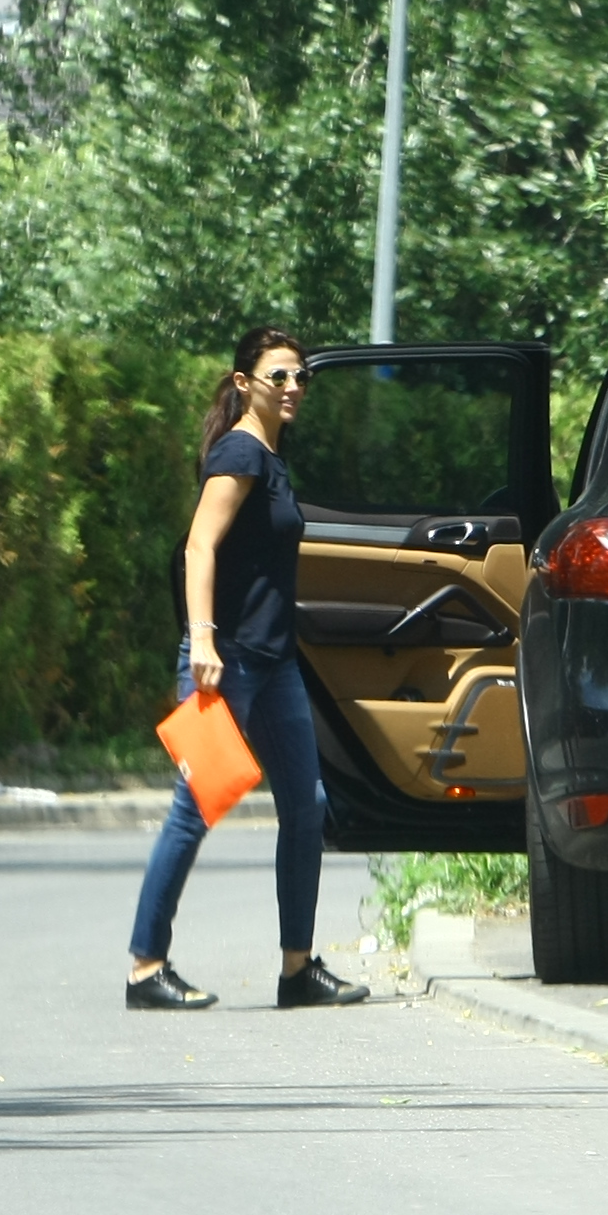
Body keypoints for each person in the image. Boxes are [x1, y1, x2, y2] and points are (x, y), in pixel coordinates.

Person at [127, 325, 371, 1011]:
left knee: (307, 805)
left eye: (301, 377)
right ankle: (145, 967)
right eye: (279, 377)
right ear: (244, 384)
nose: (293, 388)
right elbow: (199, 547)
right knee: (197, 807)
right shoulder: (239, 452)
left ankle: (298, 968)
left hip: (274, 664)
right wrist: (202, 639)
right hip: (224, 662)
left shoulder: (272, 456)